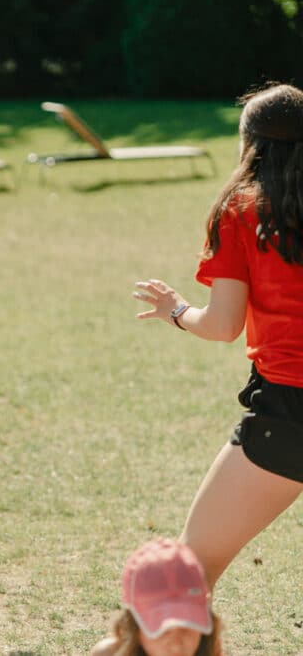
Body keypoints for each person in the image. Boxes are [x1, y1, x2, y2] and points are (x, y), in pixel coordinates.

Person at [132, 83, 303, 590]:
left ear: (250, 144)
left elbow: (224, 325)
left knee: (185, 578)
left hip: (288, 414)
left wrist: (178, 310)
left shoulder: (242, 210)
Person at [91, 539, 223, 656]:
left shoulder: (209, 650)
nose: (176, 646)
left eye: (187, 627)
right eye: (162, 630)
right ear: (134, 624)